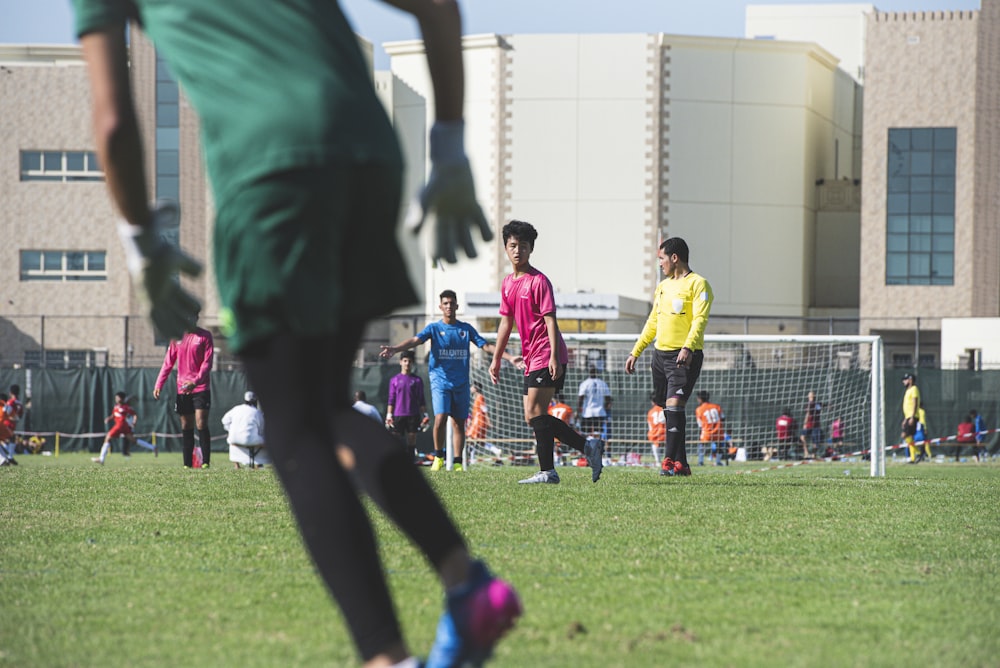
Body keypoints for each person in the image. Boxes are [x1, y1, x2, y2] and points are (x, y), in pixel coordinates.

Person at [72, 1, 521, 665]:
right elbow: (435, 5)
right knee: (325, 409)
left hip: (271, 167)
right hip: (366, 149)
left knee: (293, 428)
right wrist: (449, 146)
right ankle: (466, 585)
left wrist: (141, 241)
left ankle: (389, 654)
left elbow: (114, 122)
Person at [488, 220, 600, 484]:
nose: (518, 251)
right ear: (506, 248)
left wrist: (552, 356)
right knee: (532, 416)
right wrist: (496, 358)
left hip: (547, 353)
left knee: (536, 411)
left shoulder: (539, 281)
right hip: (530, 357)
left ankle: (550, 470)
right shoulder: (507, 284)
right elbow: (506, 323)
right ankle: (586, 448)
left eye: (523, 246)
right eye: (513, 246)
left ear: (531, 249)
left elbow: (551, 320)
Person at [380, 289, 520, 472]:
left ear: (456, 306)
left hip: (461, 383)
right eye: (445, 303)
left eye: (451, 303)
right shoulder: (434, 328)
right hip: (440, 382)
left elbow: (485, 345)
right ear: (440, 306)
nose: (448, 306)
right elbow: (416, 340)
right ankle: (438, 456)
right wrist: (395, 349)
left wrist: (509, 358)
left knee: (459, 423)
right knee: (440, 418)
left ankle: (457, 462)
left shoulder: (465, 329)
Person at [624, 237, 714, 477]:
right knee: (668, 409)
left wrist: (688, 347)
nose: (660, 264)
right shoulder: (663, 286)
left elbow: (699, 320)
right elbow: (653, 321)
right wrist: (636, 350)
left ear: (674, 258)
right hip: (659, 357)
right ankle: (682, 464)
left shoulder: (698, 284)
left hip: (683, 356)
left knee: (675, 406)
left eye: (662, 259)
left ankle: (667, 461)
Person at [154, 323, 214, 468]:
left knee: (201, 422)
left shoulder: (205, 336)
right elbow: (168, 363)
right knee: (186, 424)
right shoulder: (176, 337)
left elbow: (208, 363)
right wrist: (158, 384)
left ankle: (205, 462)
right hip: (183, 389)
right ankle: (187, 464)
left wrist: (196, 381)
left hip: (200, 386)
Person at [385, 350, 429, 458]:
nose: (407, 363)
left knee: (412, 439)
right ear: (400, 362)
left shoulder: (417, 380)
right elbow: (391, 398)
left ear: (412, 363)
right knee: (395, 439)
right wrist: (389, 414)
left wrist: (425, 415)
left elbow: (421, 399)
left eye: (409, 361)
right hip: (398, 414)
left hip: (413, 414)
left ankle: (411, 462)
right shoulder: (394, 380)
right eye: (405, 361)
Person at [223, 391, 269, 469]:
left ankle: (236, 465)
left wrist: (230, 430)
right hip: (252, 440)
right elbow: (261, 429)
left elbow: (224, 420)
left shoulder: (236, 409)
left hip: (234, 439)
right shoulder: (257, 412)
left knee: (232, 438)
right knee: (265, 440)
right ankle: (259, 464)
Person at [92, 391, 139, 464]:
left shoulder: (125, 407)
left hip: (121, 426)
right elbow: (114, 415)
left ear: (122, 399)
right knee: (133, 440)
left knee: (108, 438)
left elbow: (134, 414)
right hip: (121, 426)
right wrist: (109, 418)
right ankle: (152, 447)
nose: (116, 399)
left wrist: (134, 422)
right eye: (116, 397)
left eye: (118, 397)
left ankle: (101, 459)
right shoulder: (116, 406)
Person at [577, 366, 612, 459]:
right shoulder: (603, 383)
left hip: (588, 412)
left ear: (589, 373)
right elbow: (608, 398)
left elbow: (580, 398)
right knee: (597, 433)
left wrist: (578, 409)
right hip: (600, 412)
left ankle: (587, 452)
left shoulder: (585, 383)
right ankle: (597, 452)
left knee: (586, 433)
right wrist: (605, 407)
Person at [693, 390, 725, 466]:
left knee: (701, 444)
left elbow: (700, 424)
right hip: (718, 432)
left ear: (700, 399)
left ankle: (700, 461)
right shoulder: (717, 406)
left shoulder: (699, 409)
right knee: (719, 444)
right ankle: (718, 461)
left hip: (707, 433)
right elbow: (723, 418)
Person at [900, 373, 922, 464]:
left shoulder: (914, 389)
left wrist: (912, 417)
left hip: (912, 416)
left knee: (905, 435)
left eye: (905, 379)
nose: (903, 381)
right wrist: (906, 418)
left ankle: (919, 452)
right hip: (908, 416)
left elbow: (914, 403)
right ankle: (913, 458)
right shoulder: (907, 390)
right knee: (910, 437)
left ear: (910, 380)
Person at [547, 394, 574, 465]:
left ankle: (557, 461)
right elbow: (571, 423)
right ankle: (565, 461)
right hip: (564, 431)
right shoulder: (568, 408)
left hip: (552, 432)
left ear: (555, 400)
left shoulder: (551, 409)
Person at [799, 391, 823, 459]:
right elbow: (825, 405)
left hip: (811, 425)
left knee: (806, 438)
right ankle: (810, 453)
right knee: (808, 439)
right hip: (814, 425)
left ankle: (809, 453)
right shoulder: (818, 404)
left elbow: (808, 414)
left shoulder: (811, 404)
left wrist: (805, 423)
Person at [646, 393, 666, 466]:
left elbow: (650, 426)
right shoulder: (663, 409)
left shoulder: (650, 412)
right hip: (663, 434)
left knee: (655, 444)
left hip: (654, 435)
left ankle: (658, 461)